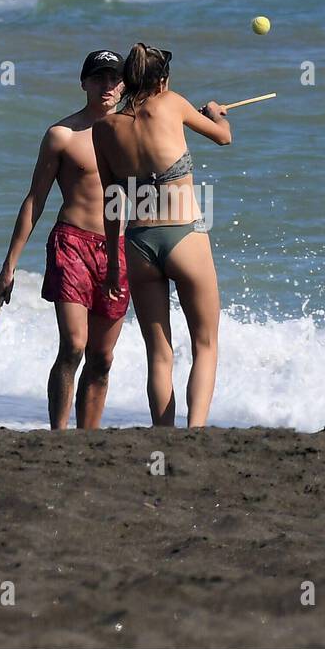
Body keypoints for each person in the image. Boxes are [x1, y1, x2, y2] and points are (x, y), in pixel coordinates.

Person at [92, 43, 231, 428]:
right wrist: (217, 114)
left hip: (137, 244)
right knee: (205, 344)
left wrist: (113, 266)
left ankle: (164, 436)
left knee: (159, 354)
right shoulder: (171, 102)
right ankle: (196, 431)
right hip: (184, 236)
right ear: (162, 80)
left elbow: (111, 200)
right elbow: (223, 137)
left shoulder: (103, 129)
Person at [0, 50, 131, 430]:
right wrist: (9, 266)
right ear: (84, 82)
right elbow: (35, 199)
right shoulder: (63, 134)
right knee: (73, 346)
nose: (108, 86)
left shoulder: (135, 132)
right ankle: (58, 436)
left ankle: (89, 438)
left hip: (119, 250)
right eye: (99, 78)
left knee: (102, 358)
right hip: (71, 244)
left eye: (115, 79)